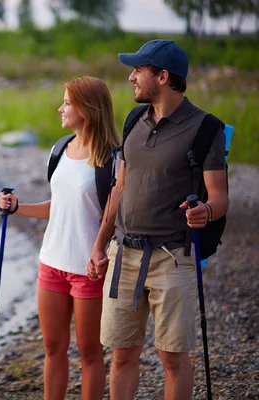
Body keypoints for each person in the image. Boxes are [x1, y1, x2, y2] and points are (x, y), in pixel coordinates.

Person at [87, 40, 229, 399]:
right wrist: (100, 244)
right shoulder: (135, 119)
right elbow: (119, 187)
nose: (132, 77)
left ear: (163, 77)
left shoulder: (205, 128)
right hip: (125, 254)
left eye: (139, 70)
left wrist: (205, 212)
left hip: (173, 257)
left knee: (172, 357)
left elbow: (220, 197)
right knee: (122, 352)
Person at [0, 76, 119, 400]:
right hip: (51, 263)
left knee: (90, 353)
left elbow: (111, 215)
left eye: (67, 102)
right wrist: (18, 208)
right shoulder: (59, 149)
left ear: (87, 109)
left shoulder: (112, 159)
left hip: (88, 270)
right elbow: (58, 206)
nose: (60, 108)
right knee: (53, 349)